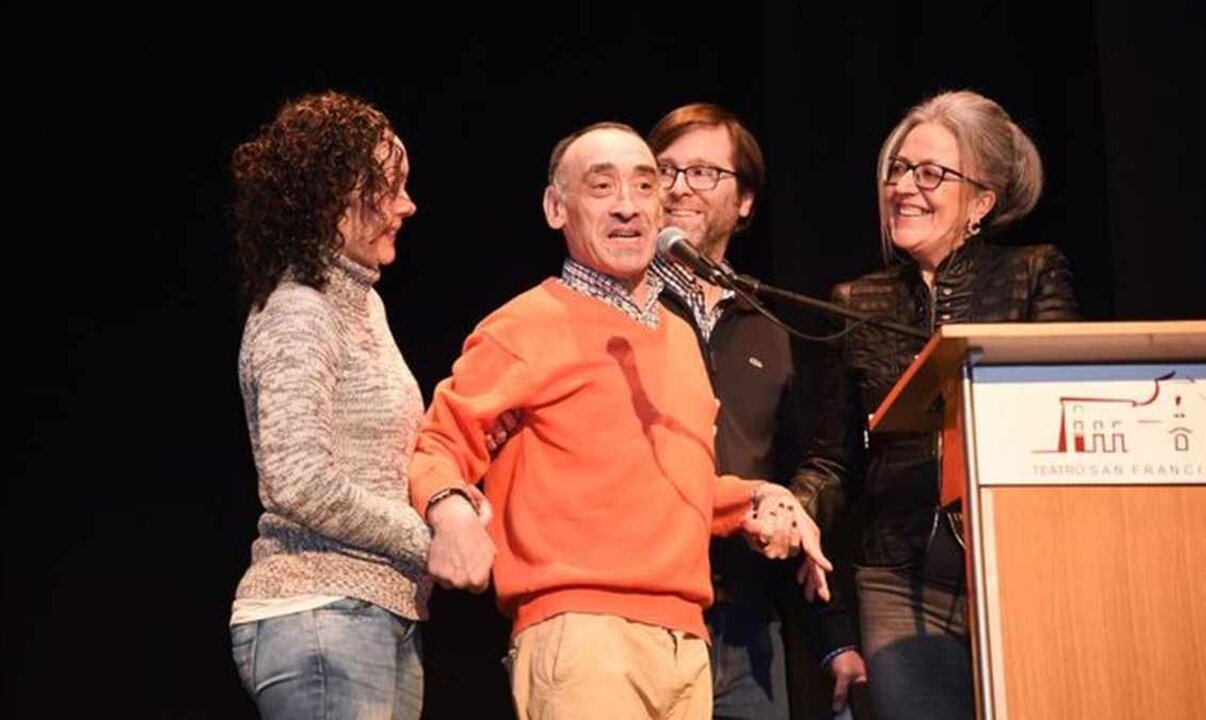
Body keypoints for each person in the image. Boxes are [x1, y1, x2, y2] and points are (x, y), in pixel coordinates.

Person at [407, 121, 832, 720]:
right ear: (557, 208)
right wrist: (450, 512)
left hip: (687, 642)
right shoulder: (524, 325)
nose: (628, 207)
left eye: (643, 186)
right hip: (584, 634)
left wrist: (761, 499)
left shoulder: (679, 338)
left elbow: (677, 484)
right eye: (601, 187)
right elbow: (439, 444)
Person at [795, 89, 1081, 720]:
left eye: (930, 174)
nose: (904, 187)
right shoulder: (854, 300)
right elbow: (833, 462)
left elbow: (1063, 420)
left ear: (981, 202)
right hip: (900, 582)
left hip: (1021, 571)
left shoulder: (1033, 275)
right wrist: (795, 504)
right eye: (897, 170)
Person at [227, 90, 483, 720]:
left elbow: (390, 457)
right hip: (320, 615)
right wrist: (427, 539)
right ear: (337, 201)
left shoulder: (364, 304)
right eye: (390, 188)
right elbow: (297, 480)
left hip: (379, 615)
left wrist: (458, 505)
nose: (407, 206)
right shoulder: (299, 309)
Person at [648, 102, 844, 720]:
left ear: (746, 201)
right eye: (665, 171)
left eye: (703, 172)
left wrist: (834, 635)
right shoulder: (617, 309)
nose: (679, 188)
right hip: (642, 615)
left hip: (749, 629)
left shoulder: (772, 322)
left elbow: (803, 471)